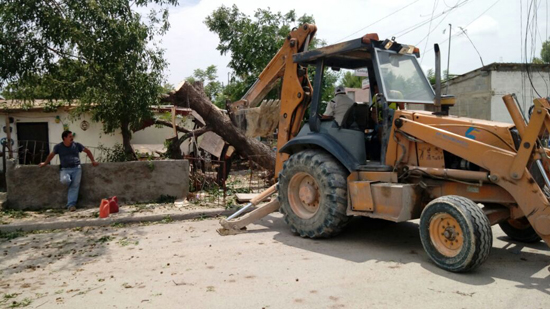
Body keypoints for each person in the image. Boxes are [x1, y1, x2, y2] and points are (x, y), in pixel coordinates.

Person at [39, 130, 99, 211]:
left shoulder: (77, 145)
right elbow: (51, 155)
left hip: (76, 169)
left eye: (72, 136)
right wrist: (45, 163)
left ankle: (71, 205)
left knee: (74, 187)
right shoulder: (58, 147)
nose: (72, 138)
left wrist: (93, 161)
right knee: (65, 180)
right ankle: (70, 185)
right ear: (65, 138)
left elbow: (87, 151)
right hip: (65, 169)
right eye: (70, 136)